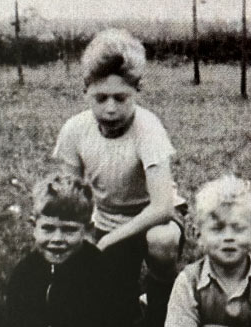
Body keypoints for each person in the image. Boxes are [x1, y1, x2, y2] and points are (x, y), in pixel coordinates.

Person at [52, 28, 186, 327]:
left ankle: (162, 312)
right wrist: (83, 237)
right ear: (85, 90)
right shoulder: (75, 129)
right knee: (106, 308)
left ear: (137, 91)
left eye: (121, 98)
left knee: (162, 241)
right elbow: (69, 198)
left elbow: (162, 206)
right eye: (100, 98)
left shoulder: (148, 128)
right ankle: (132, 300)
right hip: (107, 220)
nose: (110, 108)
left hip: (155, 218)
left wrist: (108, 242)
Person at [165, 174, 251, 327]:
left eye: (238, 228)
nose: (228, 237)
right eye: (217, 229)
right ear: (198, 235)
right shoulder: (188, 283)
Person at [6, 174, 116, 327]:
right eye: (48, 228)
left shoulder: (101, 274)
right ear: (34, 227)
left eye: (69, 230)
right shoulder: (25, 274)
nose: (57, 239)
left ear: (87, 230)